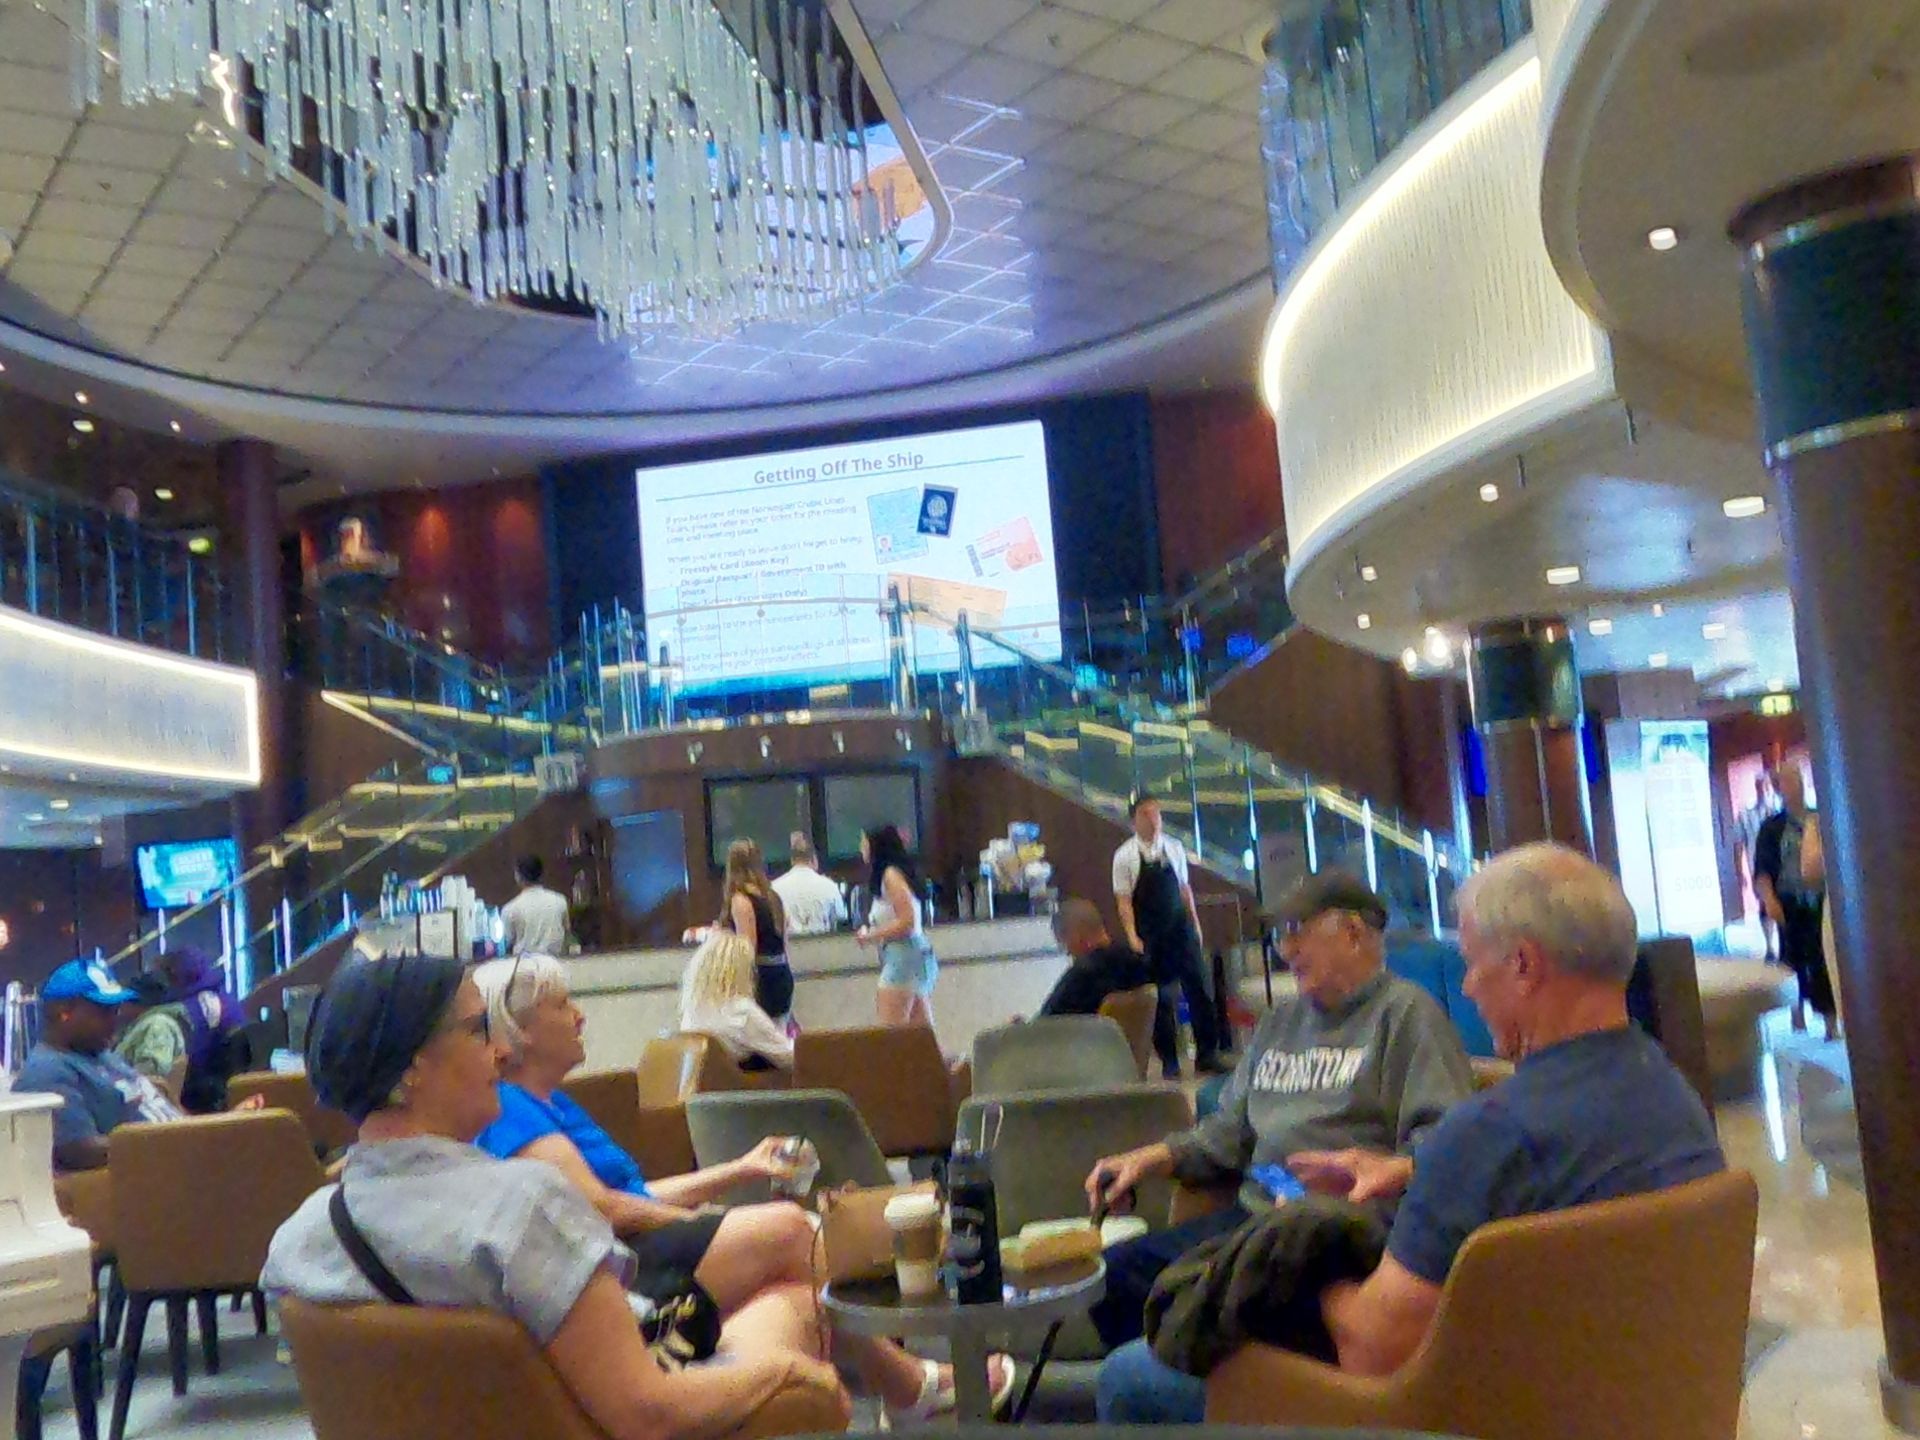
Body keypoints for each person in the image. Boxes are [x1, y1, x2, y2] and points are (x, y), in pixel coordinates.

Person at [1096, 844, 1727, 1420]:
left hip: (1463, 1411)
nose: (1471, 988)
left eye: (1475, 966)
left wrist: (1301, 1275)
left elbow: (1373, 1349)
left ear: (1525, 966)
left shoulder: (1487, 1131)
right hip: (1608, 1401)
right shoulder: (1675, 1100)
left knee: (1129, 1376)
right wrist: (1410, 1169)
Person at [261, 951, 852, 1440]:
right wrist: (788, 1370)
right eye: (478, 1030)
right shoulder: (521, 1208)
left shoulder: (298, 1242)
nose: (499, 1052)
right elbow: (648, 1414)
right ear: (412, 1067)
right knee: (796, 1304)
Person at [470, 955, 1012, 1422]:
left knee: (796, 1293)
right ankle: (917, 1378)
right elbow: (604, 1209)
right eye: (564, 1006)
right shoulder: (511, 1110)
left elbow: (636, 1193)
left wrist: (740, 1169)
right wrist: (705, 1222)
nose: (580, 1014)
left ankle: (900, 1389)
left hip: (642, 1248)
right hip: (625, 1273)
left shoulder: (549, 1103)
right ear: (518, 1030)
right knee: (793, 1228)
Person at [1085, 872, 1473, 1355]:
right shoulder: (1279, 1023)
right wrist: (1152, 1158)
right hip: (1253, 1221)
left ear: (1353, 934)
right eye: (1278, 934)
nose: (1284, 949)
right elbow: (1227, 1134)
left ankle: (1238, 1391)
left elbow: (1449, 1146)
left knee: (1177, 1300)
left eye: (1296, 930)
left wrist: (1361, 1189)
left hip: (1332, 1240)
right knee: (1113, 1276)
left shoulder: (1407, 1018)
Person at [16, 960, 183, 1171]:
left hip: (189, 1153)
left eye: (115, 1011)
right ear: (63, 1011)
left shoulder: (100, 1053)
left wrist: (201, 1129)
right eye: (103, 1012)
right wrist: (178, 1141)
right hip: (163, 1178)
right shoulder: (47, 1073)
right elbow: (81, 1152)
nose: (115, 1021)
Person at [1113, 795, 1226, 1077]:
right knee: (1162, 1000)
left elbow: (1184, 890)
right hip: (1151, 934)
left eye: (1156, 814)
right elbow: (1124, 901)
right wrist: (1132, 936)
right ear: (1134, 820)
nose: (1153, 819)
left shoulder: (1174, 848)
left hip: (1180, 929)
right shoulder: (1124, 856)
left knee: (1200, 989)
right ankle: (1170, 1062)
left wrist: (1195, 923)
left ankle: (1207, 1054)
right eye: (1146, 814)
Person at [1752, 764, 1835, 1029]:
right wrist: (1769, 900)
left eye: (1795, 780)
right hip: (1788, 900)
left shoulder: (1819, 818)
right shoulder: (1772, 827)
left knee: (1822, 956)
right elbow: (1763, 868)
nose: (1791, 787)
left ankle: (1830, 1019)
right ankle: (1796, 1012)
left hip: (1820, 900)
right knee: (1792, 958)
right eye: (1784, 782)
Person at [855, 825, 936, 1026]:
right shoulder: (896, 873)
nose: (861, 847)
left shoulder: (890, 875)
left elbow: (907, 921)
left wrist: (871, 935)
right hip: (914, 955)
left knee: (891, 1038)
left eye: (864, 841)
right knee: (921, 1036)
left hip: (903, 958)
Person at [677, 932, 794, 1070]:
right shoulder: (741, 1011)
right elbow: (788, 1056)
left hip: (702, 1086)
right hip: (748, 1088)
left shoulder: (691, 1010)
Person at [162, 945, 248, 1112]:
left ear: (176, 976)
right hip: (232, 1086)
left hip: (207, 1096)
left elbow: (191, 1058)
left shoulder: (193, 1008)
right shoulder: (226, 998)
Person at [1036, 899, 1155, 1018]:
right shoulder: (1141, 967)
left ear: (1078, 936)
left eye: (1064, 943)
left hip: (1085, 1036)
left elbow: (1047, 1024)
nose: (1067, 952)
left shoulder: (1082, 977)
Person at [719, 839, 794, 1023]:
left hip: (761, 982)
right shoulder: (773, 897)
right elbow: (784, 942)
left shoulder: (741, 901)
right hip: (782, 974)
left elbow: (748, 951)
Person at [1734, 772, 1779, 960]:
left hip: (1781, 865)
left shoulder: (1777, 811)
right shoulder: (1746, 814)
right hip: (1758, 865)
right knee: (1764, 904)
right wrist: (1739, 871)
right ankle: (1769, 945)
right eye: (1760, 785)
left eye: (1766, 785)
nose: (1763, 789)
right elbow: (1738, 843)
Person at [113, 975, 189, 1085]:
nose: (119, 1005)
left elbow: (153, 1073)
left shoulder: (157, 1025)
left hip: (136, 1096)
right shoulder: (142, 1023)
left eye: (123, 1000)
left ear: (139, 1002)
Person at [771, 833, 848, 937]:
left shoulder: (775, 888)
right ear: (814, 860)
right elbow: (840, 919)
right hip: (823, 947)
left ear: (792, 861)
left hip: (790, 948)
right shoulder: (829, 886)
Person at [503, 854, 573, 957]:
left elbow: (507, 943)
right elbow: (567, 934)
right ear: (541, 874)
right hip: (555, 964)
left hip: (524, 968)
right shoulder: (560, 901)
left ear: (518, 876)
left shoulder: (510, 909)